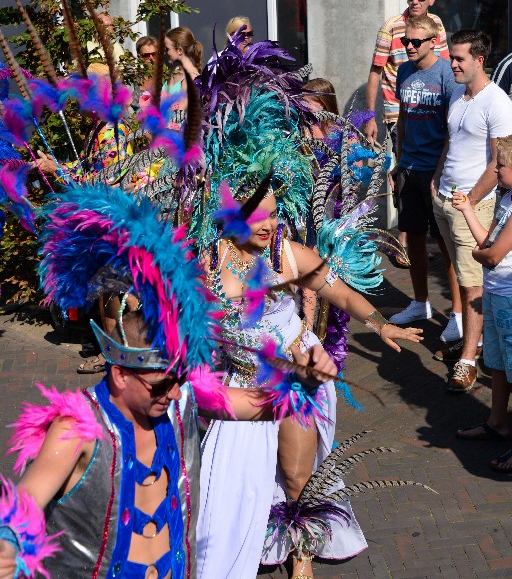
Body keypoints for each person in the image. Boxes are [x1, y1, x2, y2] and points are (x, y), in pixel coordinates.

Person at [0, 184, 337, 579]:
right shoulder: (78, 428)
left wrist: (305, 385)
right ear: (121, 374)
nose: (175, 393)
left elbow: (254, 405)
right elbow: (25, 502)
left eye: (179, 379)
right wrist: (7, 541)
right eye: (160, 384)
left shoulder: (181, 399)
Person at [197, 189, 423, 579]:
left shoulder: (288, 254)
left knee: (296, 474)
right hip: (241, 381)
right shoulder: (205, 265)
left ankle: (301, 549)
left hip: (298, 376)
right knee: (229, 486)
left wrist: (381, 324)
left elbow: (343, 295)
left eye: (274, 214)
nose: (270, 225)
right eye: (258, 217)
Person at [431, 30, 512, 392]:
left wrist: (473, 202)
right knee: (457, 272)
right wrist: (436, 180)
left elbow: (500, 160)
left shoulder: (497, 102)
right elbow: (451, 141)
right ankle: (469, 338)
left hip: (472, 207)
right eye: (452, 57)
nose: (453, 64)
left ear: (480, 60)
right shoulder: (458, 96)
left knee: (474, 282)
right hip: (445, 200)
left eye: (460, 58)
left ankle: (468, 360)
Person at [388, 15, 462, 342]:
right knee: (413, 239)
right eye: (406, 42)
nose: (410, 47)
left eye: (416, 42)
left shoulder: (447, 73)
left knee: (446, 245)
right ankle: (421, 303)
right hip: (409, 167)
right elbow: (403, 117)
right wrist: (399, 161)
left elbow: (453, 126)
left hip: (437, 170)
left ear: (433, 41)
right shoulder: (404, 71)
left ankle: (458, 315)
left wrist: (440, 169)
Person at [364, 0, 449, 257]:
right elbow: (376, 71)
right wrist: (369, 116)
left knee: (429, 172)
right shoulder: (390, 27)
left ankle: (430, 234)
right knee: (404, 172)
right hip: (397, 110)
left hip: (431, 110)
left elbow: (447, 68)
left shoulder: (437, 26)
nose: (413, 1)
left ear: (431, 0)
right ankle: (405, 237)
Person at [452, 136, 512, 469]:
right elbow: (487, 242)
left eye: (501, 165)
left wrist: (480, 254)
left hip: (509, 296)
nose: (496, 170)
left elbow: (491, 255)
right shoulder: (505, 200)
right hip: (495, 294)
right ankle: (497, 422)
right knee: (498, 363)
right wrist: (468, 209)